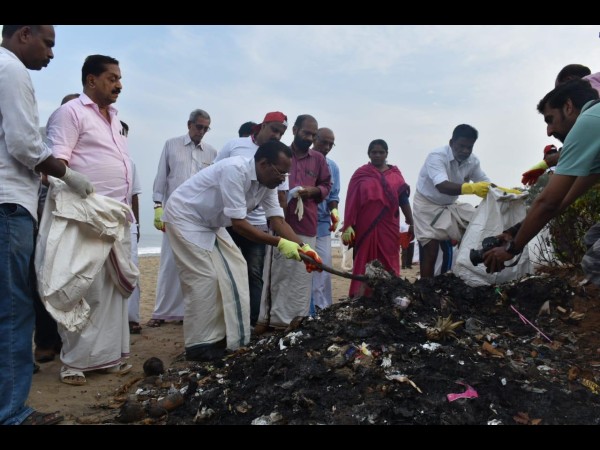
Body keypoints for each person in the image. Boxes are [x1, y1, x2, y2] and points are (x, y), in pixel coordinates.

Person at [1, 25, 94, 425]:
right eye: (48, 43)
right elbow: (24, 143)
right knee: (14, 309)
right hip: (9, 206)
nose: (52, 54)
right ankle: (11, 413)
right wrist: (66, 174)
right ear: (24, 34)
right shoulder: (11, 68)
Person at [162, 140, 322, 361]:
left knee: (235, 270)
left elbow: (278, 221)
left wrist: (305, 250)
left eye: (286, 174)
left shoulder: (268, 185)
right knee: (205, 278)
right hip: (184, 216)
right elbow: (239, 225)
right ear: (263, 163)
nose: (283, 180)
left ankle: (222, 337)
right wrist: (280, 244)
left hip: (211, 222)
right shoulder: (235, 170)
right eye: (280, 173)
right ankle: (199, 345)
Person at [46, 54, 135, 385]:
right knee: (83, 288)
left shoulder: (114, 118)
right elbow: (57, 165)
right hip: (85, 215)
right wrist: (80, 192)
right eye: (112, 78)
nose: (119, 85)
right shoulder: (70, 113)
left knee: (112, 292)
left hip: (115, 216)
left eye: (119, 78)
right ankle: (74, 363)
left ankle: (107, 358)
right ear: (91, 80)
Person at [483, 79, 600, 281]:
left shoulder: (587, 122)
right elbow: (563, 200)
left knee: (595, 262)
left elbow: (548, 202)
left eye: (550, 120)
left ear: (568, 107)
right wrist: (515, 231)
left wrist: (512, 249)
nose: (549, 131)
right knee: (593, 239)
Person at [256, 115, 331, 332]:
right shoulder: (281, 154)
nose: (309, 138)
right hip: (281, 222)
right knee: (277, 274)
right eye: (306, 133)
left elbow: (326, 186)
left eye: (313, 135)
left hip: (307, 223)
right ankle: (270, 320)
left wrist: (312, 191)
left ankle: (295, 322)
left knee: (301, 275)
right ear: (295, 130)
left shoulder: (318, 159)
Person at [214, 111, 289, 326]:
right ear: (263, 125)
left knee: (254, 274)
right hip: (226, 222)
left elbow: (278, 209)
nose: (277, 136)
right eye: (274, 130)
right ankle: (225, 323)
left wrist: (302, 248)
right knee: (224, 272)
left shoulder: (277, 165)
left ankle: (251, 323)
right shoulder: (235, 149)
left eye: (281, 133)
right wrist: (282, 243)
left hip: (257, 223)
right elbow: (215, 173)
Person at [150, 109, 217, 327]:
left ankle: (185, 313)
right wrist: (158, 207)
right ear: (189, 125)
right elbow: (162, 178)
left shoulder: (211, 152)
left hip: (198, 217)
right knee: (169, 263)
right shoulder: (171, 145)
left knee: (193, 265)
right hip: (173, 213)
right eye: (199, 127)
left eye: (206, 128)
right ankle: (161, 313)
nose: (202, 131)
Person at [33, 93, 82, 365]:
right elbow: (40, 180)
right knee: (42, 279)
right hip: (43, 215)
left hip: (76, 218)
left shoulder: (88, 135)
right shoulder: (42, 137)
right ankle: (45, 341)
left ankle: (67, 339)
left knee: (71, 280)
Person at [412, 124, 491, 279]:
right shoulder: (436, 156)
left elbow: (485, 183)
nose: (465, 151)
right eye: (461, 146)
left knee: (477, 224)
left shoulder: (473, 161)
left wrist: (504, 192)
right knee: (430, 249)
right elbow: (442, 186)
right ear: (451, 142)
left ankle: (463, 274)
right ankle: (425, 287)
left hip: (450, 205)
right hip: (426, 205)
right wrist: (471, 188)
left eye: (469, 147)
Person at [341, 139, 413, 298]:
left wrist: (411, 221)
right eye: (374, 152)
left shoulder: (395, 175)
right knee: (364, 260)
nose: (378, 155)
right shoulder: (361, 174)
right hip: (365, 225)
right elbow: (351, 201)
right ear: (369, 154)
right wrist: (349, 225)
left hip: (389, 226)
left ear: (387, 154)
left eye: (381, 152)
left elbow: (403, 200)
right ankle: (361, 295)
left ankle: (390, 294)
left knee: (389, 259)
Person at [521, 64, 600, 186]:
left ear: (569, 81)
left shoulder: (590, 88)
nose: (549, 132)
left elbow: (583, 146)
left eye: (558, 91)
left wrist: (550, 161)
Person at [310, 127, 340, 312]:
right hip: (301, 222)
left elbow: (333, 196)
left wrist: (334, 212)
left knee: (324, 265)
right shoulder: (302, 162)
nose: (327, 147)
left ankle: (322, 307)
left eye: (331, 144)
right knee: (302, 266)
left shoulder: (333, 167)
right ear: (314, 139)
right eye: (324, 142)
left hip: (322, 223)